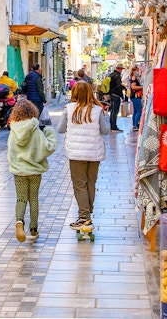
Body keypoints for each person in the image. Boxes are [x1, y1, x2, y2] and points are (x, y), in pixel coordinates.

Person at [57, 81, 109, 230]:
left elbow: (60, 130)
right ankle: (87, 214)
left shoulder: (68, 109)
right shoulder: (98, 109)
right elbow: (105, 131)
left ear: (74, 93)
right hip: (94, 152)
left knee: (79, 184)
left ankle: (84, 217)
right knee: (90, 183)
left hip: (76, 153)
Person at [7, 98, 57, 242]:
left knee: (21, 198)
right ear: (33, 111)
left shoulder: (14, 130)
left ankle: (19, 221)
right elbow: (48, 147)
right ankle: (33, 230)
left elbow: (10, 151)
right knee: (33, 199)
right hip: (34, 171)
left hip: (19, 171)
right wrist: (49, 132)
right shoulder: (36, 130)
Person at [108, 63, 126, 132]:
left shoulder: (111, 75)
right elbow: (118, 87)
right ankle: (114, 127)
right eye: (121, 69)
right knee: (115, 111)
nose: (121, 70)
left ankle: (112, 125)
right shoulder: (117, 76)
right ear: (119, 69)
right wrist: (122, 95)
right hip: (116, 95)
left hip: (111, 94)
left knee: (112, 111)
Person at [129, 66, 143, 131]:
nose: (138, 72)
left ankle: (135, 124)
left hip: (134, 96)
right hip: (136, 96)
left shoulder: (134, 77)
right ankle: (135, 125)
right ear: (134, 71)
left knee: (135, 111)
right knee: (139, 111)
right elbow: (133, 87)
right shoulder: (134, 78)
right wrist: (141, 87)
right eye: (137, 71)